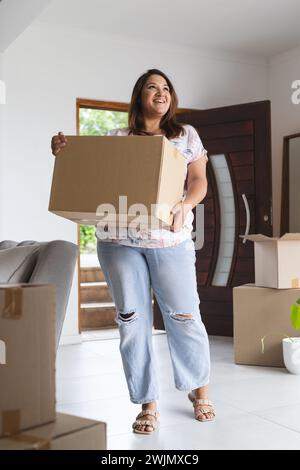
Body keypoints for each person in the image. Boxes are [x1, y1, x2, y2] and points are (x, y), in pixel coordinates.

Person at [51, 68, 215, 435]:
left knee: (185, 316)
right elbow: (89, 174)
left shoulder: (185, 135)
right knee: (131, 321)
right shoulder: (117, 137)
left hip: (169, 241)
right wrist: (64, 152)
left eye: (166, 88)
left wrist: (185, 205)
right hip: (118, 242)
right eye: (152, 88)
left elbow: (200, 180)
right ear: (139, 96)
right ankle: (148, 402)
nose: (161, 93)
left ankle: (199, 389)